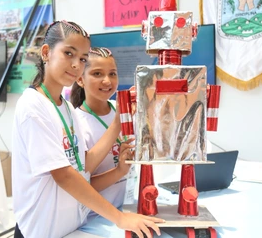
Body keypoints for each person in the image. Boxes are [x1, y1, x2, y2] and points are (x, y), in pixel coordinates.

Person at [12, 20, 164, 238]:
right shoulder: (32, 106)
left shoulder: (66, 109)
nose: (76, 64)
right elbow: (64, 176)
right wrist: (120, 219)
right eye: (69, 53)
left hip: (70, 227)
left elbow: (83, 167)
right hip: (40, 231)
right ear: (46, 52)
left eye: (82, 59)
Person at [70, 47, 137, 221]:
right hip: (96, 218)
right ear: (80, 79)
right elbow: (80, 183)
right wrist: (119, 171)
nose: (107, 81)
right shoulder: (76, 122)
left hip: (127, 208)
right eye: (97, 74)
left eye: (112, 74)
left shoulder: (122, 107)